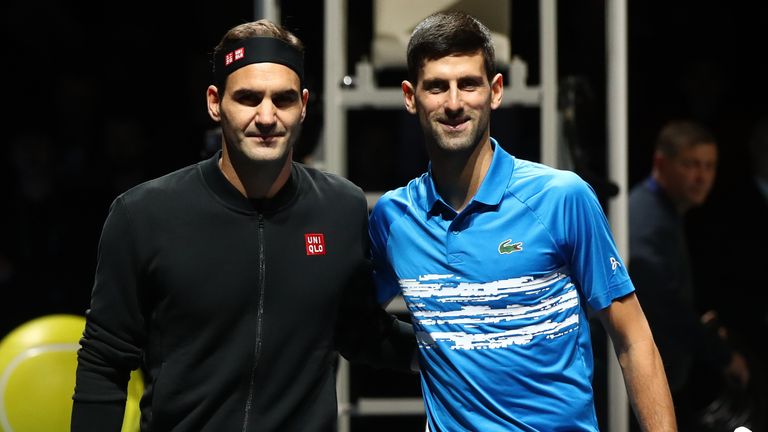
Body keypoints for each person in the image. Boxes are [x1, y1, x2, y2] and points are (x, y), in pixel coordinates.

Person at [71, 19, 416, 431]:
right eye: (248, 98)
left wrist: (461, 352)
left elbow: (358, 331)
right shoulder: (144, 214)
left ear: (304, 104)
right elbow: (105, 362)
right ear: (216, 102)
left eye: (283, 99)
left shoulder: (341, 208)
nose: (266, 116)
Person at [369, 10, 675, 431]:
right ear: (410, 96)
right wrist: (431, 351)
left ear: (495, 91)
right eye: (437, 86)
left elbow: (633, 338)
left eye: (469, 84)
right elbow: (351, 323)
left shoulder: (561, 197)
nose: (454, 103)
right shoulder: (393, 217)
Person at [628, 119, 750, 430]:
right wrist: (721, 355)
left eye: (710, 166)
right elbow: (662, 303)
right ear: (661, 163)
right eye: (691, 164)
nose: (702, 177)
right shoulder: (648, 218)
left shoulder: (662, 212)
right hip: (641, 384)